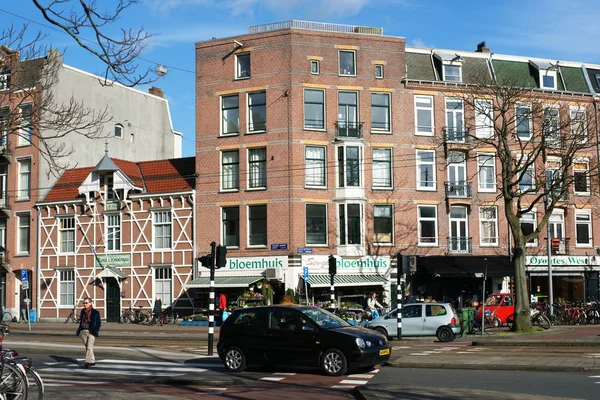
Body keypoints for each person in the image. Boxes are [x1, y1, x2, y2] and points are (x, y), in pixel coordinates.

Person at [76, 297, 101, 368]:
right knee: (87, 347)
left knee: (89, 347)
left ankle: (87, 361)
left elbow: (98, 323)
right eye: (83, 303)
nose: (84, 304)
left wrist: (96, 329)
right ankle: (92, 361)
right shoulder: (82, 311)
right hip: (83, 331)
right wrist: (79, 330)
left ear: (90, 303)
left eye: (86, 303)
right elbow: (81, 321)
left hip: (91, 332)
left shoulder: (95, 312)